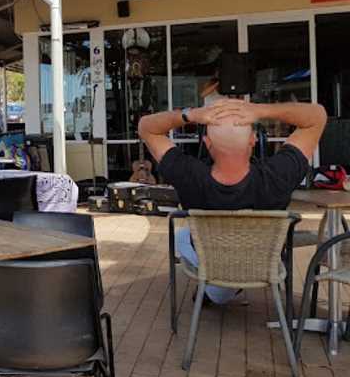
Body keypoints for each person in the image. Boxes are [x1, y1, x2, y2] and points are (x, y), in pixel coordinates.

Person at [139, 99, 327, 304]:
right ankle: (219, 291)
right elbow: (317, 116)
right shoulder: (278, 175)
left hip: (215, 269)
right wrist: (260, 110)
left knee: (180, 237)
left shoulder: (188, 174)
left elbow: (146, 127)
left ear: (207, 143)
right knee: (182, 237)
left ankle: (217, 292)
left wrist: (190, 114)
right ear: (253, 140)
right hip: (265, 267)